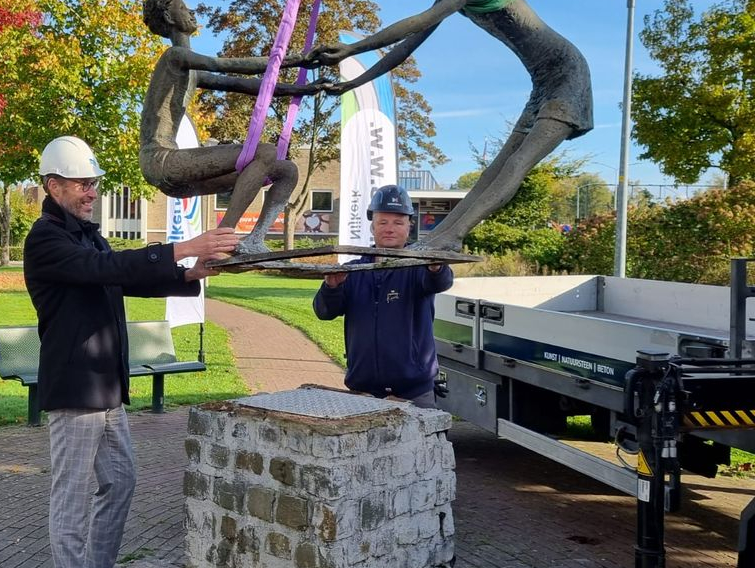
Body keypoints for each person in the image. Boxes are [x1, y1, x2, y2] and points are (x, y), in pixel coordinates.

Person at [23, 135, 239, 568]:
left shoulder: (88, 237)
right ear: (53, 186)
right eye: (82, 183)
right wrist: (183, 247)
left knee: (120, 483)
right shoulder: (45, 239)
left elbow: (124, 276)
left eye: (94, 183)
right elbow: (105, 270)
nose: (92, 191)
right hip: (75, 390)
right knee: (72, 499)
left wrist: (188, 272)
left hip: (108, 387)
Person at [306, 0, 593, 251]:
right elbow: (405, 48)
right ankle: (439, 237)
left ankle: (453, 234)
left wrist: (352, 48)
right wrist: (352, 84)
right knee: (493, 171)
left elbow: (418, 22)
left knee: (517, 162)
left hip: (568, 78)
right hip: (542, 83)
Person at [141, 0, 324, 253]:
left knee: (287, 171)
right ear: (169, 18)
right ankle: (222, 242)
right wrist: (295, 60)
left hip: (178, 178)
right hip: (160, 161)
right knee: (265, 152)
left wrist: (302, 89)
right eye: (183, 7)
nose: (191, 11)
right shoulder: (175, 57)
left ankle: (255, 239)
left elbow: (245, 84)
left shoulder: (190, 70)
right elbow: (224, 64)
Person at [312, 185, 454, 408]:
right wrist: (332, 287)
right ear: (373, 226)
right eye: (383, 222)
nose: (390, 228)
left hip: (414, 392)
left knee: (422, 444)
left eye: (398, 222)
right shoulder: (353, 271)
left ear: (409, 227)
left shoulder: (419, 268)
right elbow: (324, 312)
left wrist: (436, 266)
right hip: (363, 392)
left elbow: (441, 281)